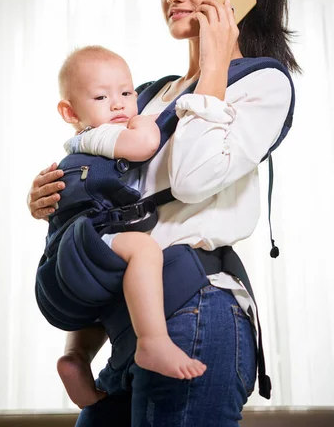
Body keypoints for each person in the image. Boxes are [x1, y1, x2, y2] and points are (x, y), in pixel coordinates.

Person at [28, 0, 300, 427]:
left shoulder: (261, 81)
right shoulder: (150, 94)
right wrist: (47, 194)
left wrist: (216, 62)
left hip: (196, 308)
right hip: (126, 322)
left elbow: (196, 180)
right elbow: (105, 188)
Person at [53, 45, 206, 407]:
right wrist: (145, 123)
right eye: (102, 96)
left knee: (102, 297)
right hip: (91, 235)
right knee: (144, 250)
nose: (119, 105)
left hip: (75, 243)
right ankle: (152, 340)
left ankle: (76, 358)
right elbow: (144, 144)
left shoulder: (81, 145)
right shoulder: (99, 135)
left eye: (126, 93)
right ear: (70, 112)